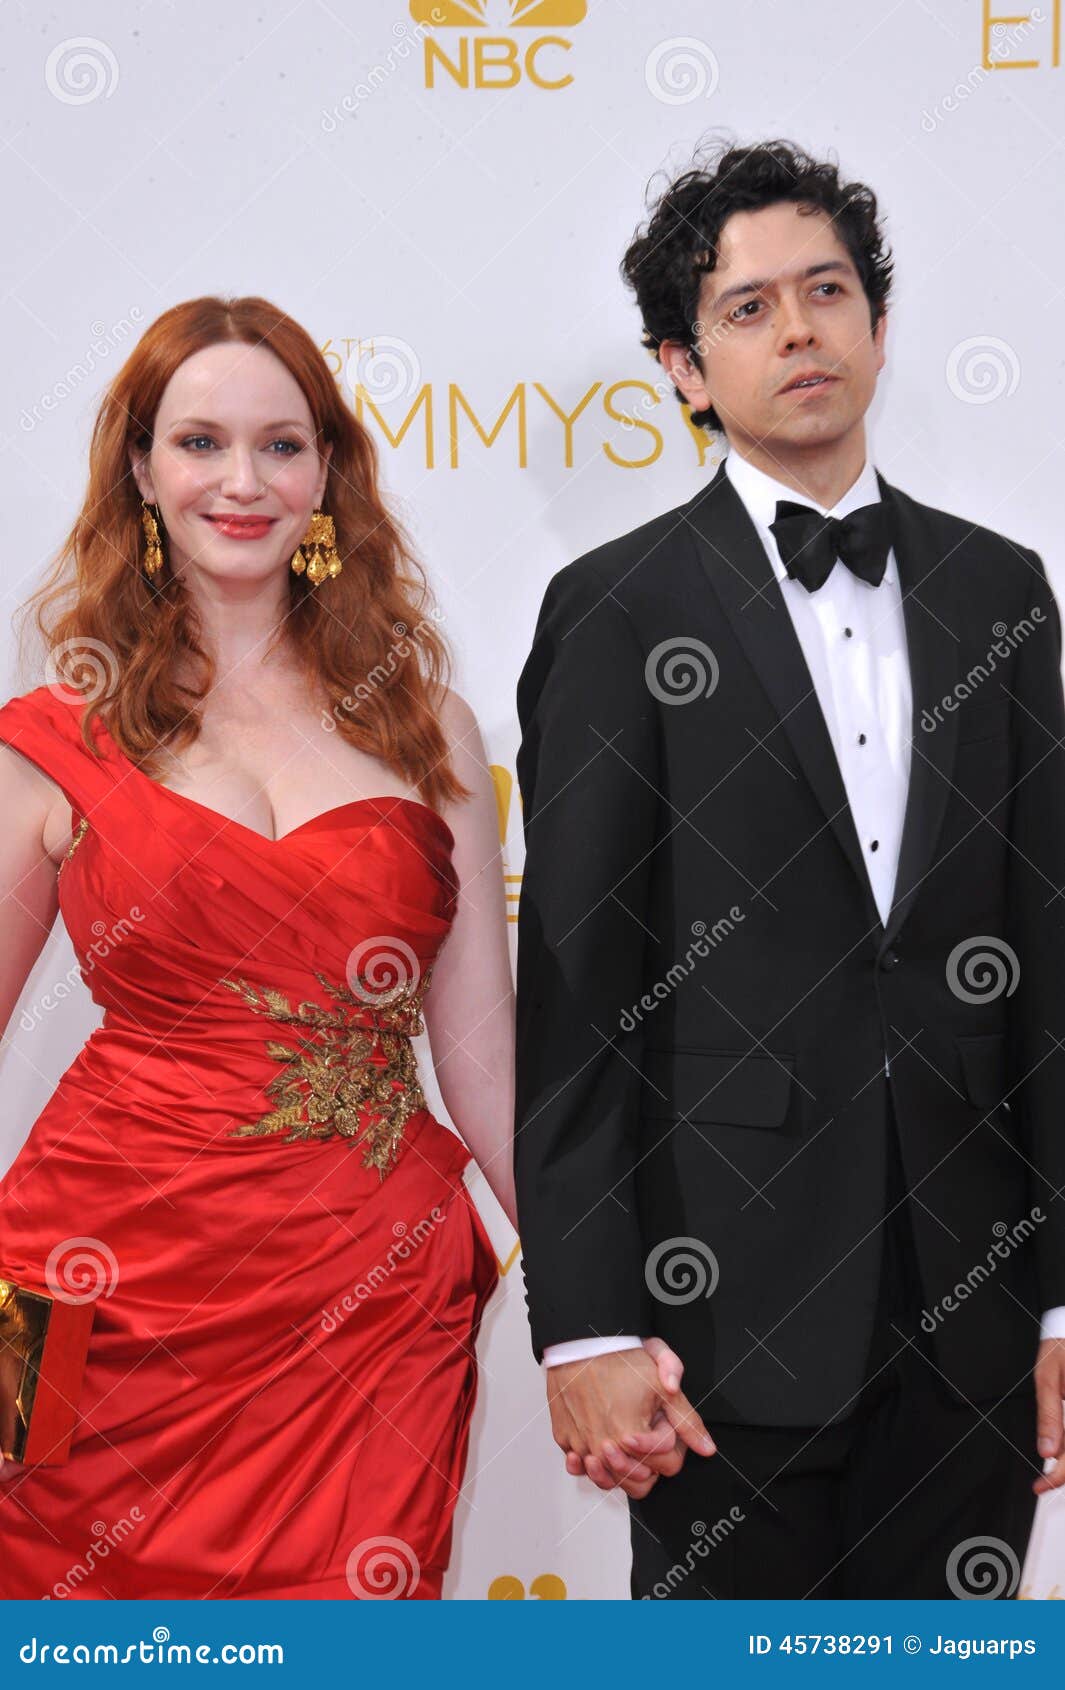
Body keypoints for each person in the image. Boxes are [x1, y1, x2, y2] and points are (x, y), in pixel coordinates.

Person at [513, 138, 1065, 1599]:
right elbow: (574, 990)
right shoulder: (619, 608)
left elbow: (1046, 958)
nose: (798, 329)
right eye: (746, 308)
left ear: (878, 328)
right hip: (716, 1318)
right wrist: (584, 1325)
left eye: (825, 292)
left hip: (974, 1307)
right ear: (683, 368)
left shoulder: (998, 591)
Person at [0, 295, 514, 1600]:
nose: (242, 480)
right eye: (201, 441)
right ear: (141, 468)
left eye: (282, 445)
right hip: (80, 1296)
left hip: (374, 1305)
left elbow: (484, 1064)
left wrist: (598, 1314)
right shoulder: (52, 734)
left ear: (329, 471)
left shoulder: (429, 728)